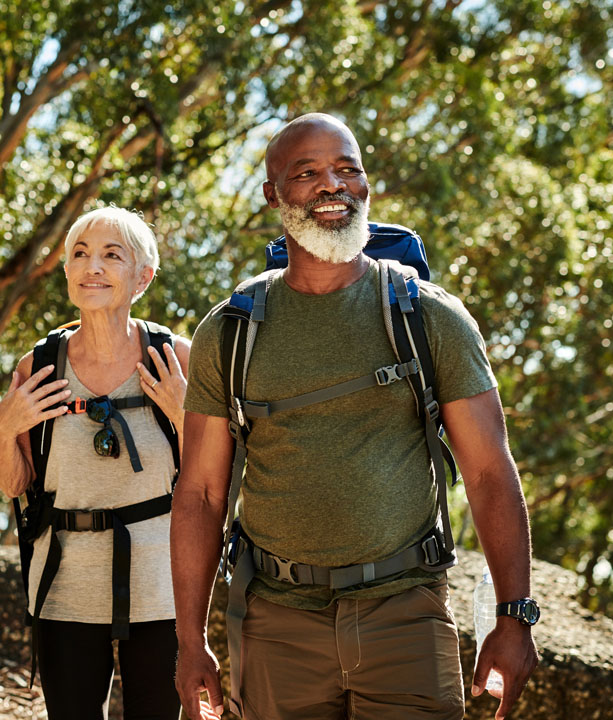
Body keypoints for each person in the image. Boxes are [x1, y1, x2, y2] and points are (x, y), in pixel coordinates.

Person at [171, 113, 539, 720]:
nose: (332, 186)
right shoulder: (229, 332)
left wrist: (515, 616)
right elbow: (202, 494)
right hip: (275, 626)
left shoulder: (431, 318)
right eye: (308, 172)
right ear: (273, 194)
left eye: (347, 169)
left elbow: (490, 474)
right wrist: (191, 643)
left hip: (407, 618)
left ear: (366, 185)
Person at [0, 206, 191, 720]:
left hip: (162, 583)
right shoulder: (39, 365)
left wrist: (181, 413)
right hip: (64, 583)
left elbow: (215, 478)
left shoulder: (175, 359)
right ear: (67, 273)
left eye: (110, 255)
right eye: (79, 254)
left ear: (142, 276)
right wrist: (1, 428)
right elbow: (16, 482)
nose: (92, 267)